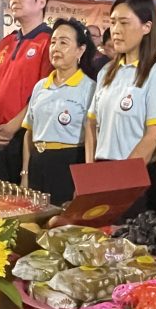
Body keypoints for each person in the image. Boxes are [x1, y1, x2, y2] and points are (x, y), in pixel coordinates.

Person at [85, 0, 156, 213]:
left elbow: (154, 134)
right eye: (113, 22)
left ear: (146, 27)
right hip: (104, 173)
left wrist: (122, 179)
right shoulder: (107, 71)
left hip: (139, 178)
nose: (115, 30)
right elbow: (91, 124)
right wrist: (91, 174)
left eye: (124, 23)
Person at [0, 0, 53, 182]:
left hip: (24, 133)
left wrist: (13, 126)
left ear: (41, 2)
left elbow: (43, 94)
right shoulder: (6, 42)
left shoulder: (48, 41)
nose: (14, 0)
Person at [21, 18, 97, 204]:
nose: (56, 48)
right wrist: (25, 173)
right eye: (53, 42)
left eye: (64, 42)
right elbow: (29, 132)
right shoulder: (40, 86)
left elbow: (91, 137)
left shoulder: (89, 88)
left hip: (68, 166)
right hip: (37, 164)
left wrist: (86, 182)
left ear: (80, 49)